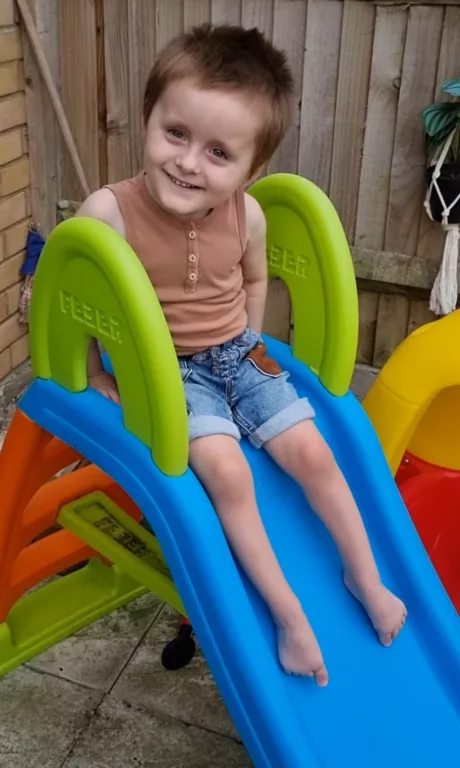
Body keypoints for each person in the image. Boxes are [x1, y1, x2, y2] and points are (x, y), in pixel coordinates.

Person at [76, 23, 406, 686]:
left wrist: (251, 339)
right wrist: (90, 371)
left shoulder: (247, 216)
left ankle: (364, 575)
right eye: (175, 134)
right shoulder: (110, 212)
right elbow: (72, 291)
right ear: (147, 122)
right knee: (229, 474)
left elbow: (254, 278)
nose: (190, 162)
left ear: (252, 170)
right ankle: (289, 618)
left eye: (219, 152)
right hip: (170, 375)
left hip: (239, 354)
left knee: (314, 452)